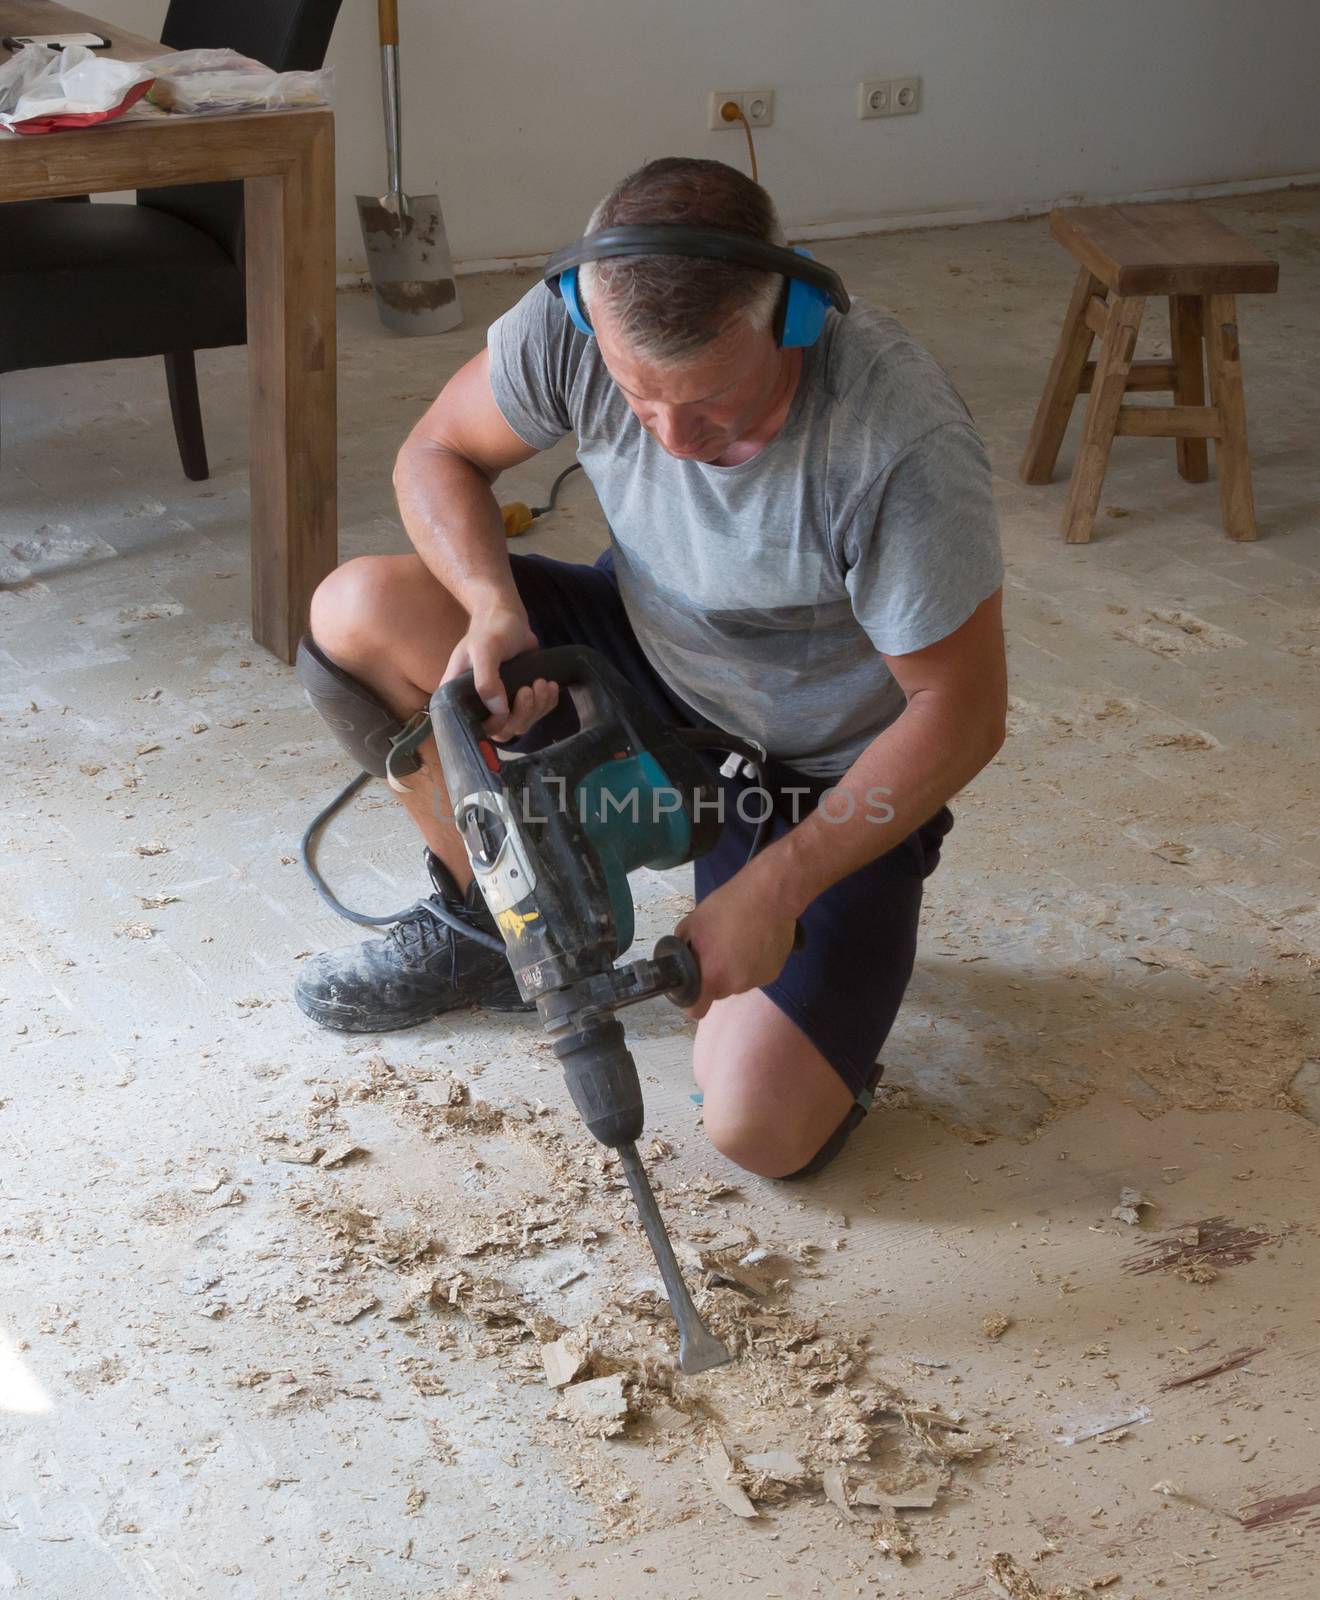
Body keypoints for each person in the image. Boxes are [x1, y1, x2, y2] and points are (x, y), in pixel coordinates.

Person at [293, 157, 1007, 1181]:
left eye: (714, 403)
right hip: (640, 652)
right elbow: (436, 452)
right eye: (638, 398)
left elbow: (963, 711)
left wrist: (776, 887)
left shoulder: (895, 439)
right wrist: (492, 608)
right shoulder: (574, 319)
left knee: (757, 1127)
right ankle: (483, 922)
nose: (672, 439)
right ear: (590, 325)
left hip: (812, 768)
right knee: (361, 611)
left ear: (793, 320)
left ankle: (785, 940)